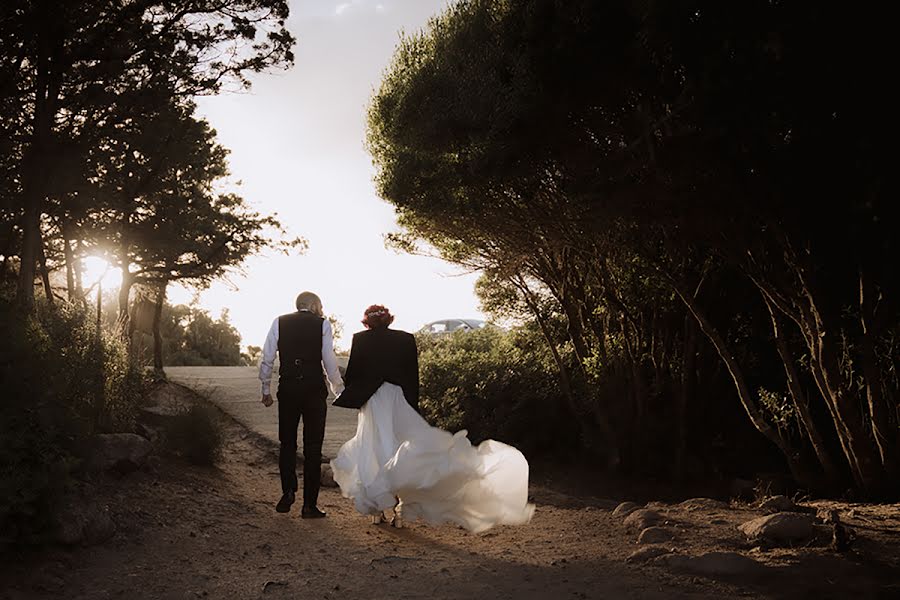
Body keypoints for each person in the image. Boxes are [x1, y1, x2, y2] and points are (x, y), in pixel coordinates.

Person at [331, 305, 535, 533]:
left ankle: (378, 510)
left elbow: (355, 375)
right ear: (389, 319)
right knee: (403, 449)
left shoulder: (360, 340)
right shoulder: (405, 339)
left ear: (366, 322)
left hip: (374, 401)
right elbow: (412, 376)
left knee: (374, 448)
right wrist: (413, 408)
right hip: (399, 399)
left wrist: (349, 394)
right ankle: (400, 509)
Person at [259, 291, 344, 518]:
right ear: (314, 305)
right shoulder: (322, 324)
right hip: (313, 390)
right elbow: (328, 360)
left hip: (287, 388)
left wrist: (265, 389)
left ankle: (288, 491)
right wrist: (339, 389)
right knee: (313, 448)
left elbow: (267, 357)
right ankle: (309, 505)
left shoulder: (280, 322)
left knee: (287, 443)